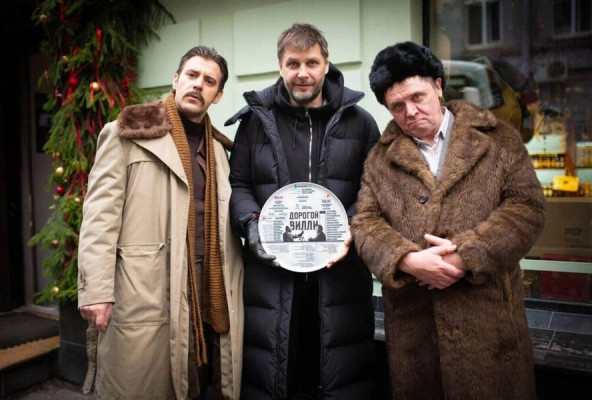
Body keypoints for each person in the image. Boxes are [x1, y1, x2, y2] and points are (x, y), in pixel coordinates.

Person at [351, 42, 546, 400]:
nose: (411, 112)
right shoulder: (380, 159)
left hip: (490, 329)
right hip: (415, 336)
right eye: (397, 106)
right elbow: (364, 223)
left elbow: (527, 207)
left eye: (418, 97)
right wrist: (407, 260)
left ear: (438, 86)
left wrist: (466, 255)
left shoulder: (497, 138)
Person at [77, 46, 244, 400]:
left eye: (209, 81)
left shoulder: (219, 150)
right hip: (147, 286)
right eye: (192, 75)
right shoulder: (127, 133)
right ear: (176, 79)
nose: (198, 85)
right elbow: (99, 217)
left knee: (199, 382)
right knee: (146, 384)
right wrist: (96, 291)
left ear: (217, 95)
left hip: (206, 286)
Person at [226, 23, 379, 400]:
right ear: (280, 65)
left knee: (335, 378)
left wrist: (351, 227)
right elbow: (239, 185)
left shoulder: (360, 122)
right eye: (293, 63)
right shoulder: (254, 122)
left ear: (326, 63)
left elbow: (375, 189)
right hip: (271, 280)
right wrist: (251, 226)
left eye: (311, 62)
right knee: (278, 376)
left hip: (339, 278)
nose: (303, 73)